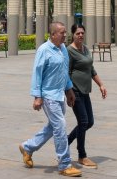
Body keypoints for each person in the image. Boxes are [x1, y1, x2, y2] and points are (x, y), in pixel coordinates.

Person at [19, 21, 81, 177]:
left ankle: (27, 147)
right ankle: (64, 164)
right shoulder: (44, 50)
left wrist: (69, 90)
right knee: (60, 127)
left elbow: (64, 72)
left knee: (52, 128)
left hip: (59, 94)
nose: (65, 35)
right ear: (53, 34)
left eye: (65, 32)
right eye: (62, 32)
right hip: (48, 96)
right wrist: (37, 97)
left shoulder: (63, 50)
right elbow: (37, 74)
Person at [66, 25, 107, 169]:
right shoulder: (69, 51)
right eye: (78, 33)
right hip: (75, 91)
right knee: (83, 121)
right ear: (73, 35)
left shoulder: (85, 49)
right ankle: (82, 156)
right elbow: (67, 73)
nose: (81, 35)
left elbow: (91, 70)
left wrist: (100, 85)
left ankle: (65, 142)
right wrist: (68, 92)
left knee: (89, 122)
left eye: (82, 33)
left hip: (85, 91)